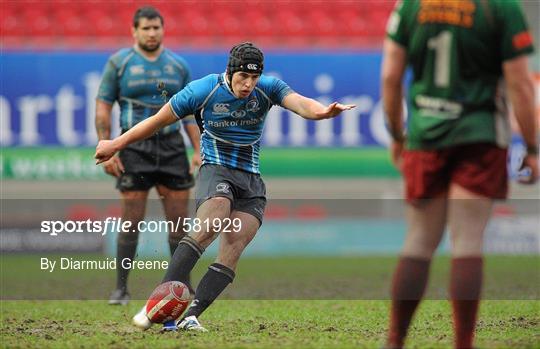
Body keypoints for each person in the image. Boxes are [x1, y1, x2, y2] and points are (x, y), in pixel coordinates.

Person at [95, 41, 355, 331]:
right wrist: (115, 144)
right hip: (216, 171)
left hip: (251, 180)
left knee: (233, 249)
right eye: (243, 77)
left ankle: (191, 316)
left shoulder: (268, 88)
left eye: (253, 78)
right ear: (230, 71)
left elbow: (301, 103)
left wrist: (321, 112)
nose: (248, 84)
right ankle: (158, 299)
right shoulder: (203, 90)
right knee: (210, 222)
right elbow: (156, 121)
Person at [381, 0, 538, 348]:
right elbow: (520, 84)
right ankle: (463, 343)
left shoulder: (411, 5)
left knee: (419, 240)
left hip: (426, 135)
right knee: (467, 241)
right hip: (480, 135)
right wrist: (532, 146)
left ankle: (394, 341)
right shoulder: (502, 7)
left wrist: (396, 135)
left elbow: (391, 76)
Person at [95, 6, 201, 306]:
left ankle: (184, 287)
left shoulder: (178, 66)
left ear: (163, 29)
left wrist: (197, 148)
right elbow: (103, 107)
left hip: (171, 147)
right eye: (146, 28)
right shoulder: (120, 63)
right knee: (131, 220)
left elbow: (190, 113)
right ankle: (121, 288)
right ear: (134, 31)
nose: (152, 33)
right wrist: (108, 146)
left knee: (179, 224)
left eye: (156, 28)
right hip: (135, 149)